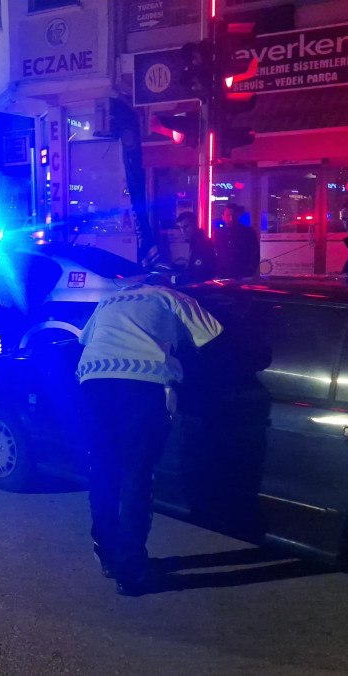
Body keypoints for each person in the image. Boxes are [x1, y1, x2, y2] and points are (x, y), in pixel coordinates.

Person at [77, 279, 223, 595]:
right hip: (141, 386)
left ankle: (107, 554)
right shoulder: (173, 297)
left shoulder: (109, 300)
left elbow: (84, 339)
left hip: (92, 385)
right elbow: (214, 338)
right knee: (136, 478)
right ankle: (130, 574)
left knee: (103, 473)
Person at [214, 204, 261, 278]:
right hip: (225, 273)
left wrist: (249, 270)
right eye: (228, 215)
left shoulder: (248, 232)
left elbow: (255, 253)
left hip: (243, 274)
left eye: (233, 215)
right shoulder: (218, 233)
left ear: (238, 216)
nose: (231, 218)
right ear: (223, 217)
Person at [176, 211, 216, 283]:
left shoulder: (202, 243)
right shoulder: (195, 241)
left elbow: (197, 273)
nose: (183, 231)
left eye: (186, 226)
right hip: (198, 284)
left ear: (195, 224)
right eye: (180, 228)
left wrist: (173, 280)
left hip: (201, 287)